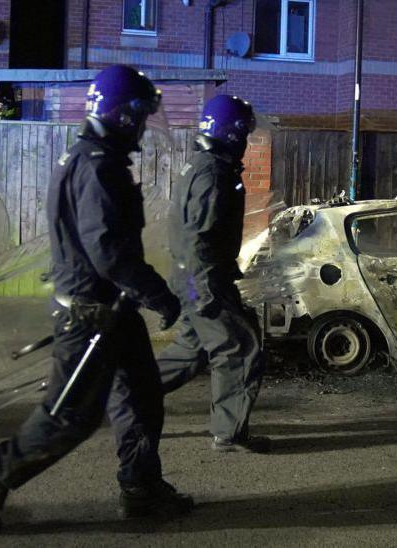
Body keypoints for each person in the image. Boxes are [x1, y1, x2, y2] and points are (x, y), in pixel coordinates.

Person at [0, 65, 188, 532]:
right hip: (90, 315)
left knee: (142, 397)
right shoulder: (98, 166)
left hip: (111, 309)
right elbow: (108, 252)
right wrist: (160, 295)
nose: (144, 125)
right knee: (71, 417)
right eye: (140, 115)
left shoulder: (92, 157)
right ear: (122, 115)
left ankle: (140, 486)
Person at [154, 95, 269, 453]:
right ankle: (228, 434)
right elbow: (199, 237)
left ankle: (121, 394)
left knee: (192, 351)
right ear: (232, 133)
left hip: (194, 279)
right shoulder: (213, 172)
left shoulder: (204, 165)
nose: (247, 142)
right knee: (240, 348)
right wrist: (206, 289)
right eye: (244, 134)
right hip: (203, 281)